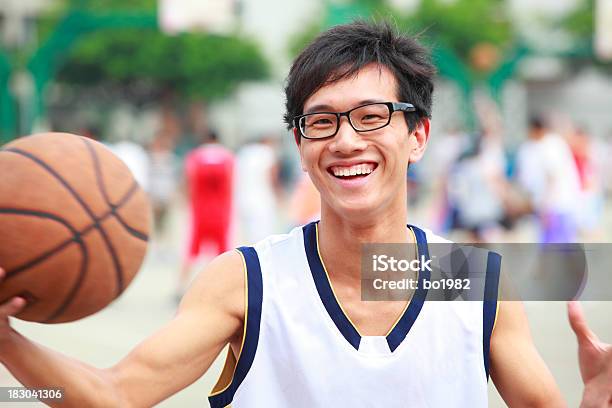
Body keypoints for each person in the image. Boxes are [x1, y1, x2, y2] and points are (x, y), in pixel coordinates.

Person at [0, 20, 608, 407]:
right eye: (321, 120)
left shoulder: (475, 283)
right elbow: (114, 396)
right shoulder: (246, 282)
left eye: (372, 116)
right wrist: (9, 347)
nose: (345, 140)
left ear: (419, 135)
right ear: (299, 142)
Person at [178, 130, 234, 297]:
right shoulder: (228, 157)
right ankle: (227, 289)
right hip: (221, 212)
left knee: (190, 250)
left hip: (199, 211)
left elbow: (188, 182)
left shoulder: (194, 156)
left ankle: (180, 287)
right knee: (224, 252)